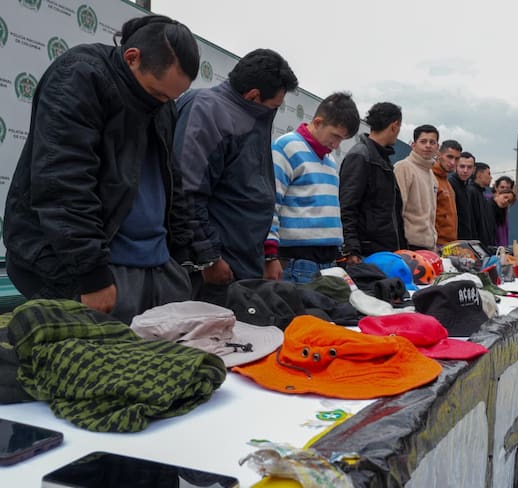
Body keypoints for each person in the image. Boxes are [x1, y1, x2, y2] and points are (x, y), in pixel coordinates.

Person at [3, 15, 200, 323]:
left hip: (157, 269)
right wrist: (91, 272)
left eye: (170, 99)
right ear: (132, 58)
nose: (162, 104)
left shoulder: (163, 106)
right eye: (157, 94)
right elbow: (63, 183)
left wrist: (185, 256)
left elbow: (172, 181)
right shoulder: (81, 76)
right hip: (96, 275)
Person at [173, 49, 298, 305]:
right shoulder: (208, 110)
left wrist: (268, 255)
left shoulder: (251, 114)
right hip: (215, 268)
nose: (274, 111)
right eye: (274, 106)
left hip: (244, 261)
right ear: (253, 95)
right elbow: (187, 191)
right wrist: (208, 257)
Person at [263, 92, 360, 283]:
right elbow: (269, 203)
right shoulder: (286, 147)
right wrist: (269, 255)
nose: (336, 145)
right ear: (317, 122)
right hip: (295, 262)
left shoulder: (330, 160)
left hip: (328, 262)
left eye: (342, 140)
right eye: (335, 136)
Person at [338, 102, 407, 264]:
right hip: (366, 254)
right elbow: (346, 206)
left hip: (384, 251)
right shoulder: (361, 155)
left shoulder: (382, 159)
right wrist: (351, 249)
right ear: (395, 125)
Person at [394, 124, 439, 250]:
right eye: (423, 141)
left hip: (428, 246)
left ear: (437, 147)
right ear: (413, 145)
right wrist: (400, 246)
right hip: (408, 246)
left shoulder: (432, 176)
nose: (428, 145)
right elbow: (396, 211)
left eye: (432, 142)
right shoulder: (403, 167)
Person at [433, 140, 462, 245]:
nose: (453, 162)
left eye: (457, 159)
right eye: (449, 157)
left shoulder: (448, 184)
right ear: (439, 154)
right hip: (435, 243)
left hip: (449, 244)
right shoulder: (430, 178)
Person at [449, 151, 476, 240]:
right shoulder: (450, 184)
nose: (465, 170)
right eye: (462, 166)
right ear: (456, 166)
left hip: (465, 239)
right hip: (452, 239)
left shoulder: (468, 187)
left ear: (473, 169)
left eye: (469, 167)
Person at [467, 162, 494, 248]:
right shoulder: (471, 192)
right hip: (476, 246)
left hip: (482, 245)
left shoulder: (480, 194)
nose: (491, 177)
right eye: (488, 173)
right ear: (479, 174)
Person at [492, 176, 516, 246]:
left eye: (507, 188)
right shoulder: (486, 202)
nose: (504, 190)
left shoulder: (504, 206)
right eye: (502, 187)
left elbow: (504, 230)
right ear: (496, 188)